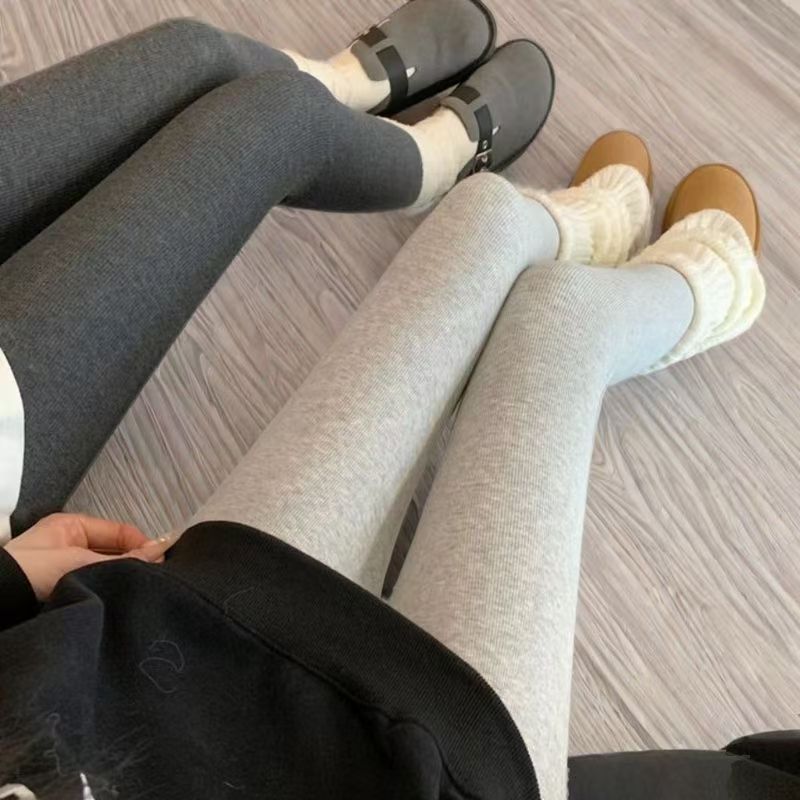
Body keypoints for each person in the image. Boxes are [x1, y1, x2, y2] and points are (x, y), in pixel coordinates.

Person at [0, 3, 782, 800]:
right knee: (558, 326)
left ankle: (412, 146)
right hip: (433, 773)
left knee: (480, 220)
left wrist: (6, 578)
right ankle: (709, 288)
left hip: (161, 645)